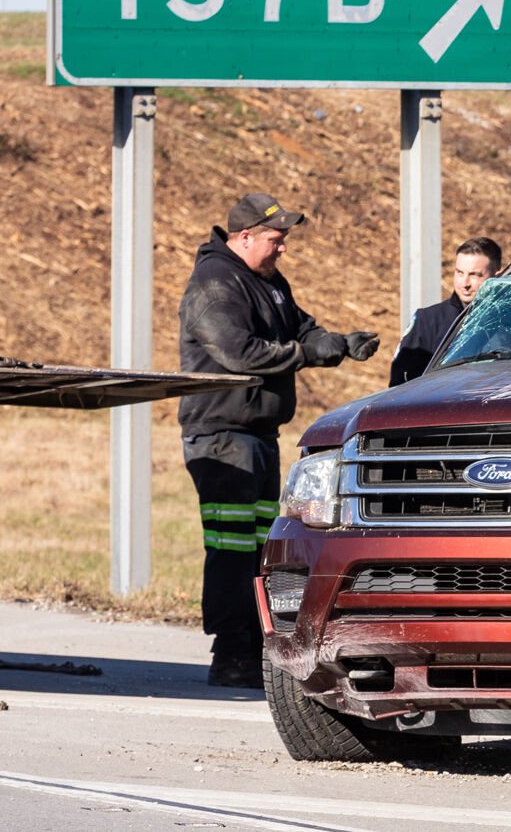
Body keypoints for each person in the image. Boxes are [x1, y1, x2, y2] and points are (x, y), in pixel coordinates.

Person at [178, 193, 381, 688]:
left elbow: (302, 328)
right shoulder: (215, 284)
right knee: (231, 548)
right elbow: (239, 352)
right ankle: (229, 653)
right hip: (222, 437)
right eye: (276, 238)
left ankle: (251, 649)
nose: (283, 248)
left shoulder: (265, 283)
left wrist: (337, 343)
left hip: (257, 434)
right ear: (244, 237)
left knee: (259, 551)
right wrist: (306, 354)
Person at [389, 236, 503, 385]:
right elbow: (399, 384)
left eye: (475, 275)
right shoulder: (427, 320)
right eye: (459, 273)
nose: (465, 283)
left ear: (497, 275)